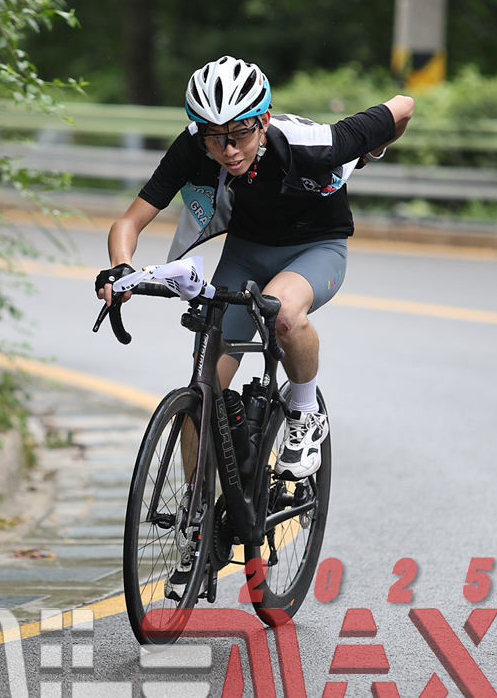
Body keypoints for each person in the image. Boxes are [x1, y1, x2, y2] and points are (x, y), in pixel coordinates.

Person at [97, 55, 414, 478]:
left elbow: (404, 105)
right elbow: (128, 222)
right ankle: (196, 510)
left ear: (263, 120)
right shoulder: (193, 146)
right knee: (204, 387)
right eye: (214, 138)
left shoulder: (314, 143)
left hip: (316, 248)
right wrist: (121, 268)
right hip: (246, 253)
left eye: (240, 135)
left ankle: (304, 413)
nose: (228, 151)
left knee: (282, 310)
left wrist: (371, 149)